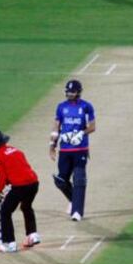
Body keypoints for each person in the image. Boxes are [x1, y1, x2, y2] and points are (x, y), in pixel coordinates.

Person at [0, 129, 41, 253]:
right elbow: (21, 168)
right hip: (34, 183)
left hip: (20, 186)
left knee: (5, 212)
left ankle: (10, 243)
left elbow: (2, 177)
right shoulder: (17, 150)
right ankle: (33, 235)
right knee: (26, 206)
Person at [50, 79, 96, 221]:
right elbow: (56, 128)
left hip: (80, 148)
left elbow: (92, 127)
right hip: (65, 149)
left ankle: (77, 212)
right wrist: (52, 145)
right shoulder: (61, 107)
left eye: (72, 92)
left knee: (79, 179)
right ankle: (73, 200)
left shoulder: (86, 107)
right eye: (68, 92)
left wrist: (81, 133)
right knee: (60, 180)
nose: (69, 94)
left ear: (78, 93)